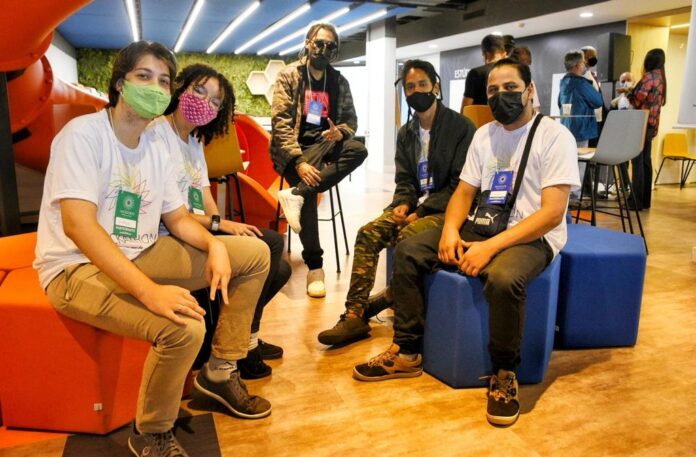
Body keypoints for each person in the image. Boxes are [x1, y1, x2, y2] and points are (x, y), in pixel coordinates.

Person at [33, 42, 271, 457]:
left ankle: (220, 370)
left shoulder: (155, 146)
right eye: (144, 76)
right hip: (76, 268)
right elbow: (79, 227)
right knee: (185, 328)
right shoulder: (84, 135)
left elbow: (178, 218)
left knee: (256, 255)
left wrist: (214, 244)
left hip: (141, 251)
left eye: (163, 81)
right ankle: (151, 432)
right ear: (119, 83)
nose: (155, 88)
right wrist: (150, 293)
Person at [353, 58, 580, 427]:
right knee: (409, 250)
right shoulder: (485, 134)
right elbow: (464, 191)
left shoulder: (555, 137)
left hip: (531, 235)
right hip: (484, 224)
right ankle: (407, 352)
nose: (501, 96)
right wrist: (450, 230)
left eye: (510, 88)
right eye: (493, 90)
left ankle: (504, 373)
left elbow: (552, 213)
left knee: (504, 278)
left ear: (530, 91)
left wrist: (491, 248)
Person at [317, 60, 475, 346]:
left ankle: (392, 303)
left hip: (448, 211)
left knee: (408, 236)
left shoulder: (461, 127)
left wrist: (420, 212)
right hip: (415, 208)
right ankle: (354, 315)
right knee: (368, 233)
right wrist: (402, 203)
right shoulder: (406, 133)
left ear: (435, 86)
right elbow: (405, 181)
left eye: (422, 85)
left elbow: (460, 185)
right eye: (410, 87)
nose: (417, 91)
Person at [151, 63, 291, 380]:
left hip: (197, 228)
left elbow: (205, 197)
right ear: (180, 87)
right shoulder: (156, 135)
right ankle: (244, 346)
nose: (204, 103)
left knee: (280, 267)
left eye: (215, 101)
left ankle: (245, 337)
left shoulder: (193, 142)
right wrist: (220, 227)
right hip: (171, 233)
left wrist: (221, 224)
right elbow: (169, 213)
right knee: (270, 243)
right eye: (199, 91)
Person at [271, 22, 368, 298]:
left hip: (326, 144)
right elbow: (280, 123)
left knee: (358, 150)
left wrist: (341, 133)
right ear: (308, 43)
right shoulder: (289, 75)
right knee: (311, 181)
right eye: (319, 43)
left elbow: (351, 122)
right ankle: (315, 267)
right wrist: (299, 162)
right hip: (294, 151)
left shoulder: (339, 81)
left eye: (330, 46)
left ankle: (297, 194)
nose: (324, 50)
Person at [627, 48, 666, 211]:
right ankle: (645, 200)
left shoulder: (649, 77)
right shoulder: (661, 78)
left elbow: (638, 99)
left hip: (640, 123)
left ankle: (635, 201)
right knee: (645, 161)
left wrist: (629, 93)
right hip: (651, 124)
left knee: (637, 162)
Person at [558, 50, 604, 148]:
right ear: (577, 65)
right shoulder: (581, 83)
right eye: (583, 62)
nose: (584, 65)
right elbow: (598, 101)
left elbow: (559, 103)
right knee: (581, 156)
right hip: (581, 129)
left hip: (566, 127)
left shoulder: (563, 83)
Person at [460, 34, 507, 110]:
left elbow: (465, 109)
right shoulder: (512, 72)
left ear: (485, 54)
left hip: (480, 117)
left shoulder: (475, 73)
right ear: (504, 53)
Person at [509, 46, 541, 111]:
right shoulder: (505, 82)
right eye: (525, 65)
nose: (526, 69)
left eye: (527, 66)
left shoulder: (530, 82)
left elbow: (536, 107)